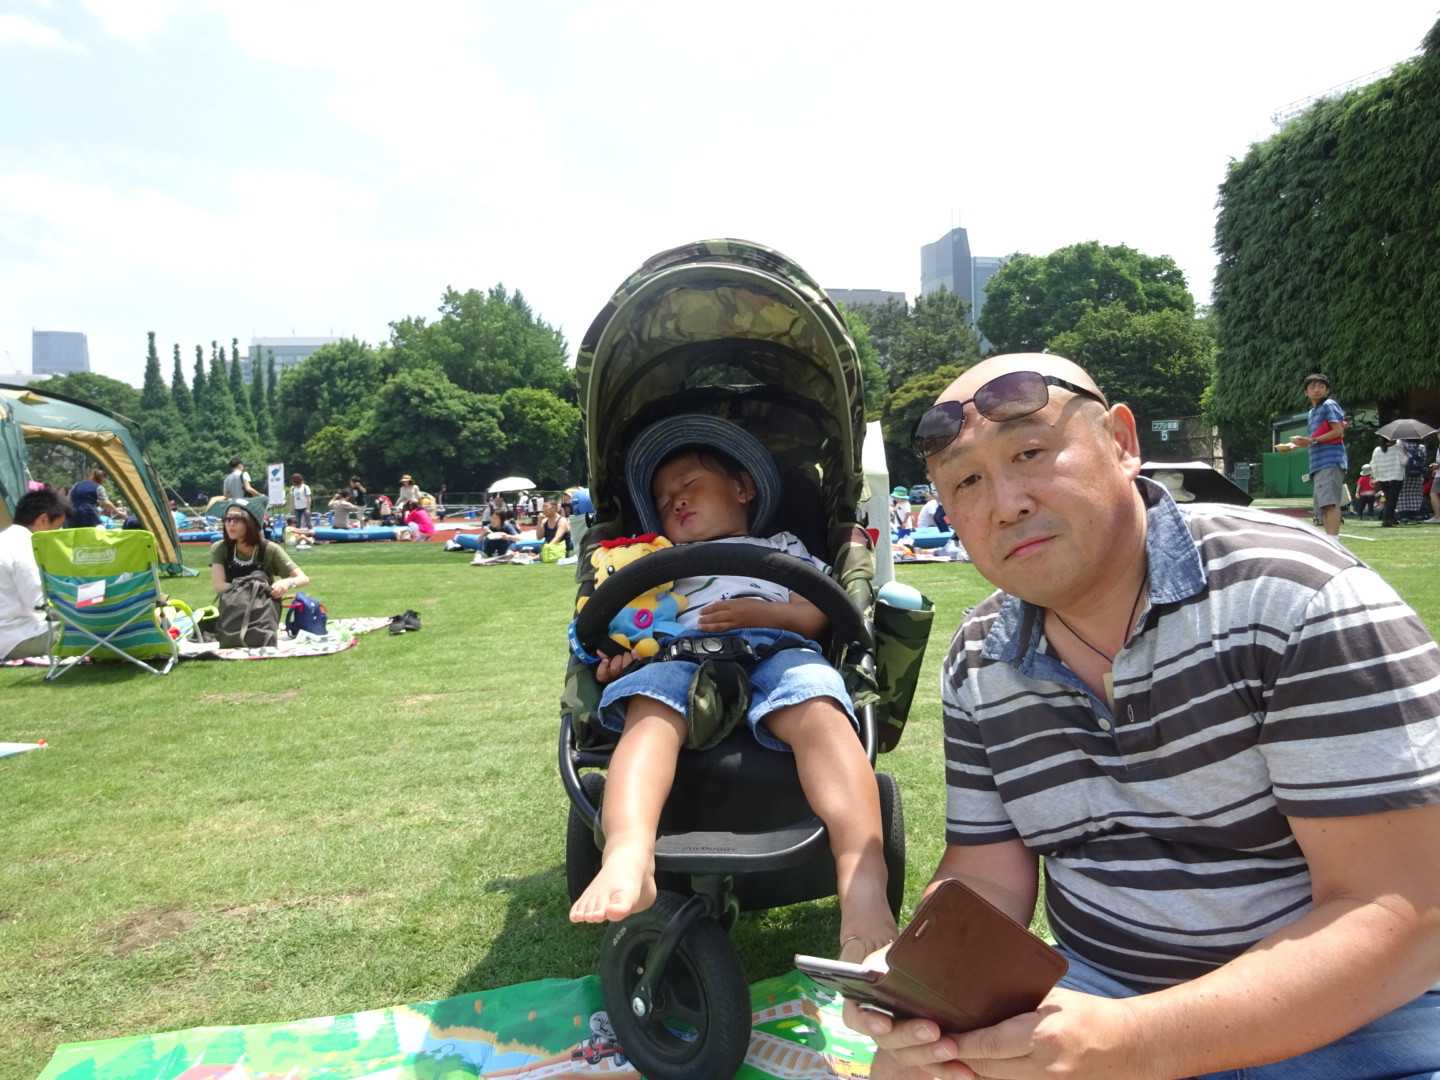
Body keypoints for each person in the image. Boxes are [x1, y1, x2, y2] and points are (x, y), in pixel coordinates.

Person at [851, 353, 1440, 1079]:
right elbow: (986, 872)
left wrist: (1137, 1042)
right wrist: (924, 980)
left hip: (1355, 1025)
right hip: (1102, 998)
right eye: (966, 482)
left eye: (1030, 453)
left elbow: (1401, 911)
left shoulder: (1293, 599)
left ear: (1122, 442)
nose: (1006, 504)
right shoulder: (980, 659)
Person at [569, 418, 897, 963]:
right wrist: (619, 659)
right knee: (649, 711)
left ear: (743, 488)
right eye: (662, 499)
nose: (674, 501)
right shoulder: (653, 563)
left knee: (818, 704)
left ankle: (862, 879)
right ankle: (628, 850)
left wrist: (765, 613)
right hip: (679, 657)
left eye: (688, 485)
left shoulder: (783, 547)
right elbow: (630, 625)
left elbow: (820, 613)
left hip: (778, 649)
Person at [1, 489, 70, 660]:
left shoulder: (6, 539)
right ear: (43, 520)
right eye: (57, 527)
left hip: (9, 632)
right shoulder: (24, 546)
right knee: (92, 628)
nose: (58, 534)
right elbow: (39, 603)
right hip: (15, 637)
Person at [1274, 373, 1346, 536]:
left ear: (1327, 390)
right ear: (1306, 392)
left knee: (1329, 504)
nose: (1317, 389)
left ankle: (1334, 543)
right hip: (1318, 464)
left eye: (1321, 386)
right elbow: (1313, 438)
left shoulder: (1328, 404)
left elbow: (1338, 431)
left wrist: (1311, 440)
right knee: (1323, 506)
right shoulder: (1312, 413)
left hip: (1330, 461)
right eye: (1312, 386)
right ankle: (1331, 541)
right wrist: (1292, 445)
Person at [210, 499, 309, 602]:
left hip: (263, 609)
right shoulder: (220, 548)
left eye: (237, 519)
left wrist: (287, 583)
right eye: (227, 519)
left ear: (251, 522)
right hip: (232, 607)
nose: (231, 523)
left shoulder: (270, 549)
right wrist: (253, 590)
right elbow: (219, 585)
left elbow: (303, 578)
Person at [1370, 436, 1406, 528]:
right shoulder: (1398, 448)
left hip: (1382, 479)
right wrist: (1406, 453)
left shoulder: (1377, 450)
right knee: (1392, 500)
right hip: (1396, 477)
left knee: (1388, 499)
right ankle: (1387, 520)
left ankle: (1391, 518)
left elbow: (1373, 464)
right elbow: (1404, 462)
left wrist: (1375, 477)